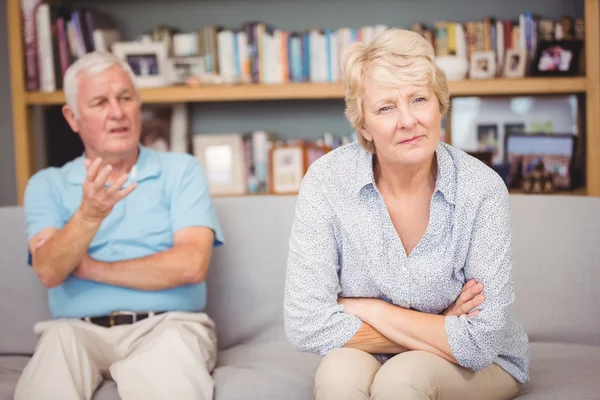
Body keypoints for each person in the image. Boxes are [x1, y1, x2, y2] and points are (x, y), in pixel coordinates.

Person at [284, 28, 529, 400]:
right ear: (363, 124)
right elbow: (306, 323)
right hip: (373, 350)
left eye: (418, 99)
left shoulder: (482, 188)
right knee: (337, 375)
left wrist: (373, 310)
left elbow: (481, 340)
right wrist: (440, 325)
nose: (408, 120)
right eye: (386, 108)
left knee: (401, 379)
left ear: (440, 105)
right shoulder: (327, 181)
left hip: (484, 363)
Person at [14, 51, 224, 400]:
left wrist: (87, 267)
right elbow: (50, 270)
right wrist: (89, 215)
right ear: (73, 117)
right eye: (99, 102)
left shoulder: (181, 170)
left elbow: (190, 265)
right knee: (51, 367)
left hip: (168, 324)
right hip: (74, 331)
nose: (117, 112)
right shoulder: (46, 184)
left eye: (126, 98)